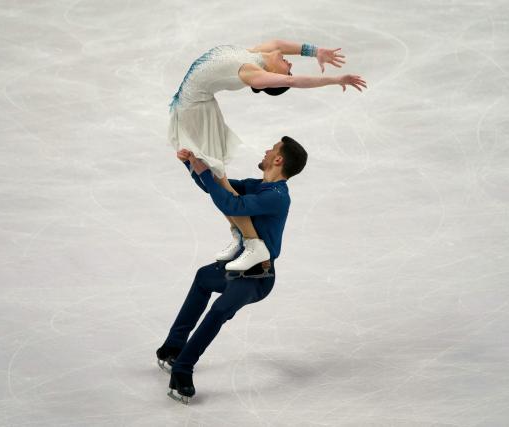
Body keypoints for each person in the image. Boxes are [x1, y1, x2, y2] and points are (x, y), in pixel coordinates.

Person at [168, 40, 366, 272]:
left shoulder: (253, 74)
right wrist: (315, 52)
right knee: (216, 176)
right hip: (191, 106)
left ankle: (252, 242)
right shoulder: (254, 54)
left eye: (287, 68)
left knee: (219, 178)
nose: (289, 64)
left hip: (195, 111)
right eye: (289, 66)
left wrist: (336, 80)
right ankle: (241, 236)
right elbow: (279, 44)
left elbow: (292, 80)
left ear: (270, 77)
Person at [156, 136, 308, 405]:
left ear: (278, 159)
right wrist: (193, 164)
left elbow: (231, 204)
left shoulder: (277, 197)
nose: (266, 149)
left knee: (220, 309)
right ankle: (173, 347)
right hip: (236, 266)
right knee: (204, 277)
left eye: (271, 149)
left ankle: (182, 370)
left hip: (257, 277)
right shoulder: (257, 186)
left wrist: (206, 171)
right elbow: (215, 187)